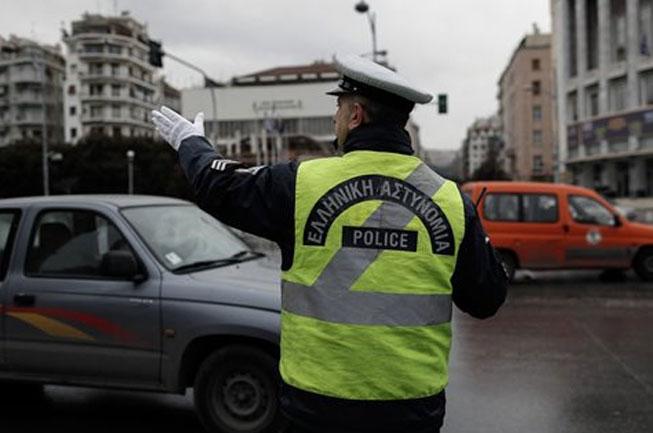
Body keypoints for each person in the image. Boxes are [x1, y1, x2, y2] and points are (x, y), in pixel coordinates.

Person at [151, 54, 508, 433]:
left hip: (317, 408)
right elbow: (486, 299)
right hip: (412, 411)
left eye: (339, 107)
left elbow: (220, 187)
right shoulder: (450, 201)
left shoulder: (302, 184)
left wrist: (191, 143)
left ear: (355, 116)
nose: (334, 118)